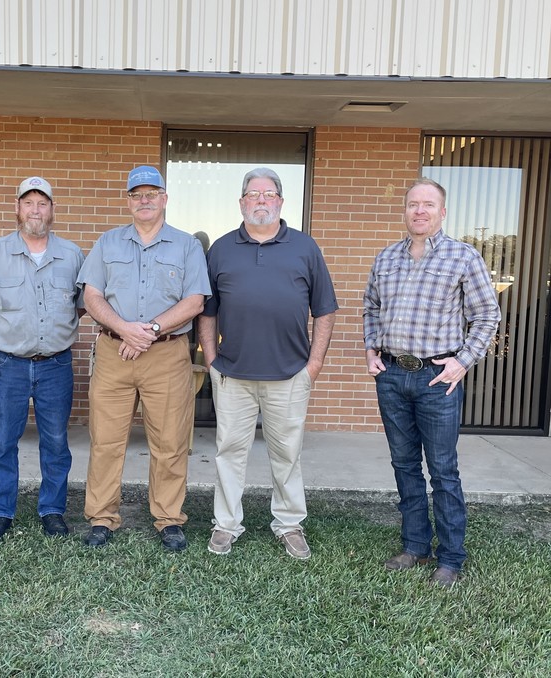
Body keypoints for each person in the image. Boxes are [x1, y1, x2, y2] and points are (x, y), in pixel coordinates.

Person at [363, 177, 501, 588]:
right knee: (404, 464)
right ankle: (415, 545)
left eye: (428, 204)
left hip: (437, 377)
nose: (419, 210)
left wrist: (461, 362)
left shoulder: (463, 257)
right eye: (412, 204)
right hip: (390, 376)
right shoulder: (386, 258)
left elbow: (487, 315)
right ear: (404, 211)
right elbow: (370, 306)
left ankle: (451, 557)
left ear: (442, 212)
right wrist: (371, 351)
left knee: (442, 470)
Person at [197, 167, 338, 559]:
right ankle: (226, 524)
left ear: (280, 201)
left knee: (287, 454)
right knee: (229, 452)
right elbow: (207, 312)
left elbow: (325, 310)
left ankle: (289, 523)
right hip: (232, 375)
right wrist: (211, 360)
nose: (261, 200)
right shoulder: (221, 250)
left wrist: (313, 365)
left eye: (269, 193)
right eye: (253, 194)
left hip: (290, 374)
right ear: (242, 202)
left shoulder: (305, 248)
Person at [77, 165, 211, 551]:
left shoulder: (187, 246)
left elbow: (194, 301)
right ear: (129, 201)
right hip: (114, 351)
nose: (145, 200)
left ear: (165, 199)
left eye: (152, 193)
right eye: (137, 195)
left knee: (169, 441)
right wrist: (125, 329)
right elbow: (92, 296)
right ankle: (102, 517)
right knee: (105, 439)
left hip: (166, 354)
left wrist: (147, 330)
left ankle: (168, 518)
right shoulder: (108, 243)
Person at [0, 177, 84, 541]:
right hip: (8, 365)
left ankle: (52, 510)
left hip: (56, 365)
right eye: (29, 203)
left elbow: (80, 306)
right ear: (17, 208)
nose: (36, 210)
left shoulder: (72, 255)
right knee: (2, 440)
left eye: (43, 203)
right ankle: (1, 511)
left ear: (52, 210)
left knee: (55, 441)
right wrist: (13, 329)